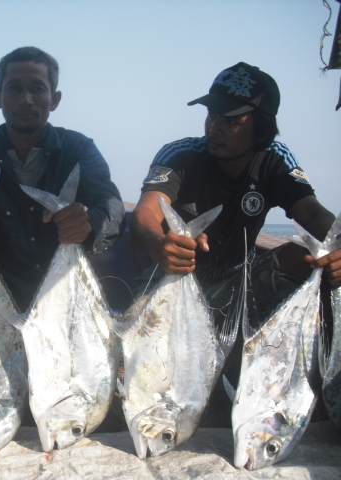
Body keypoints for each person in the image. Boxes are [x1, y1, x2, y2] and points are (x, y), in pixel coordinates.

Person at [131, 62, 341, 424]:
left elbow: (318, 219)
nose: (215, 127)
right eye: (212, 115)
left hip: (238, 285)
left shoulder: (275, 160)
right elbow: (145, 215)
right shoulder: (179, 154)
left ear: (260, 128)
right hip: (172, 285)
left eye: (232, 121)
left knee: (307, 255)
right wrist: (159, 246)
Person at [0, 47, 125, 313]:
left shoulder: (80, 150)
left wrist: (89, 224)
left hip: (66, 303)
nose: (26, 99)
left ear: (54, 99)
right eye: (14, 88)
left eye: (37, 89)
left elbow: (112, 205)